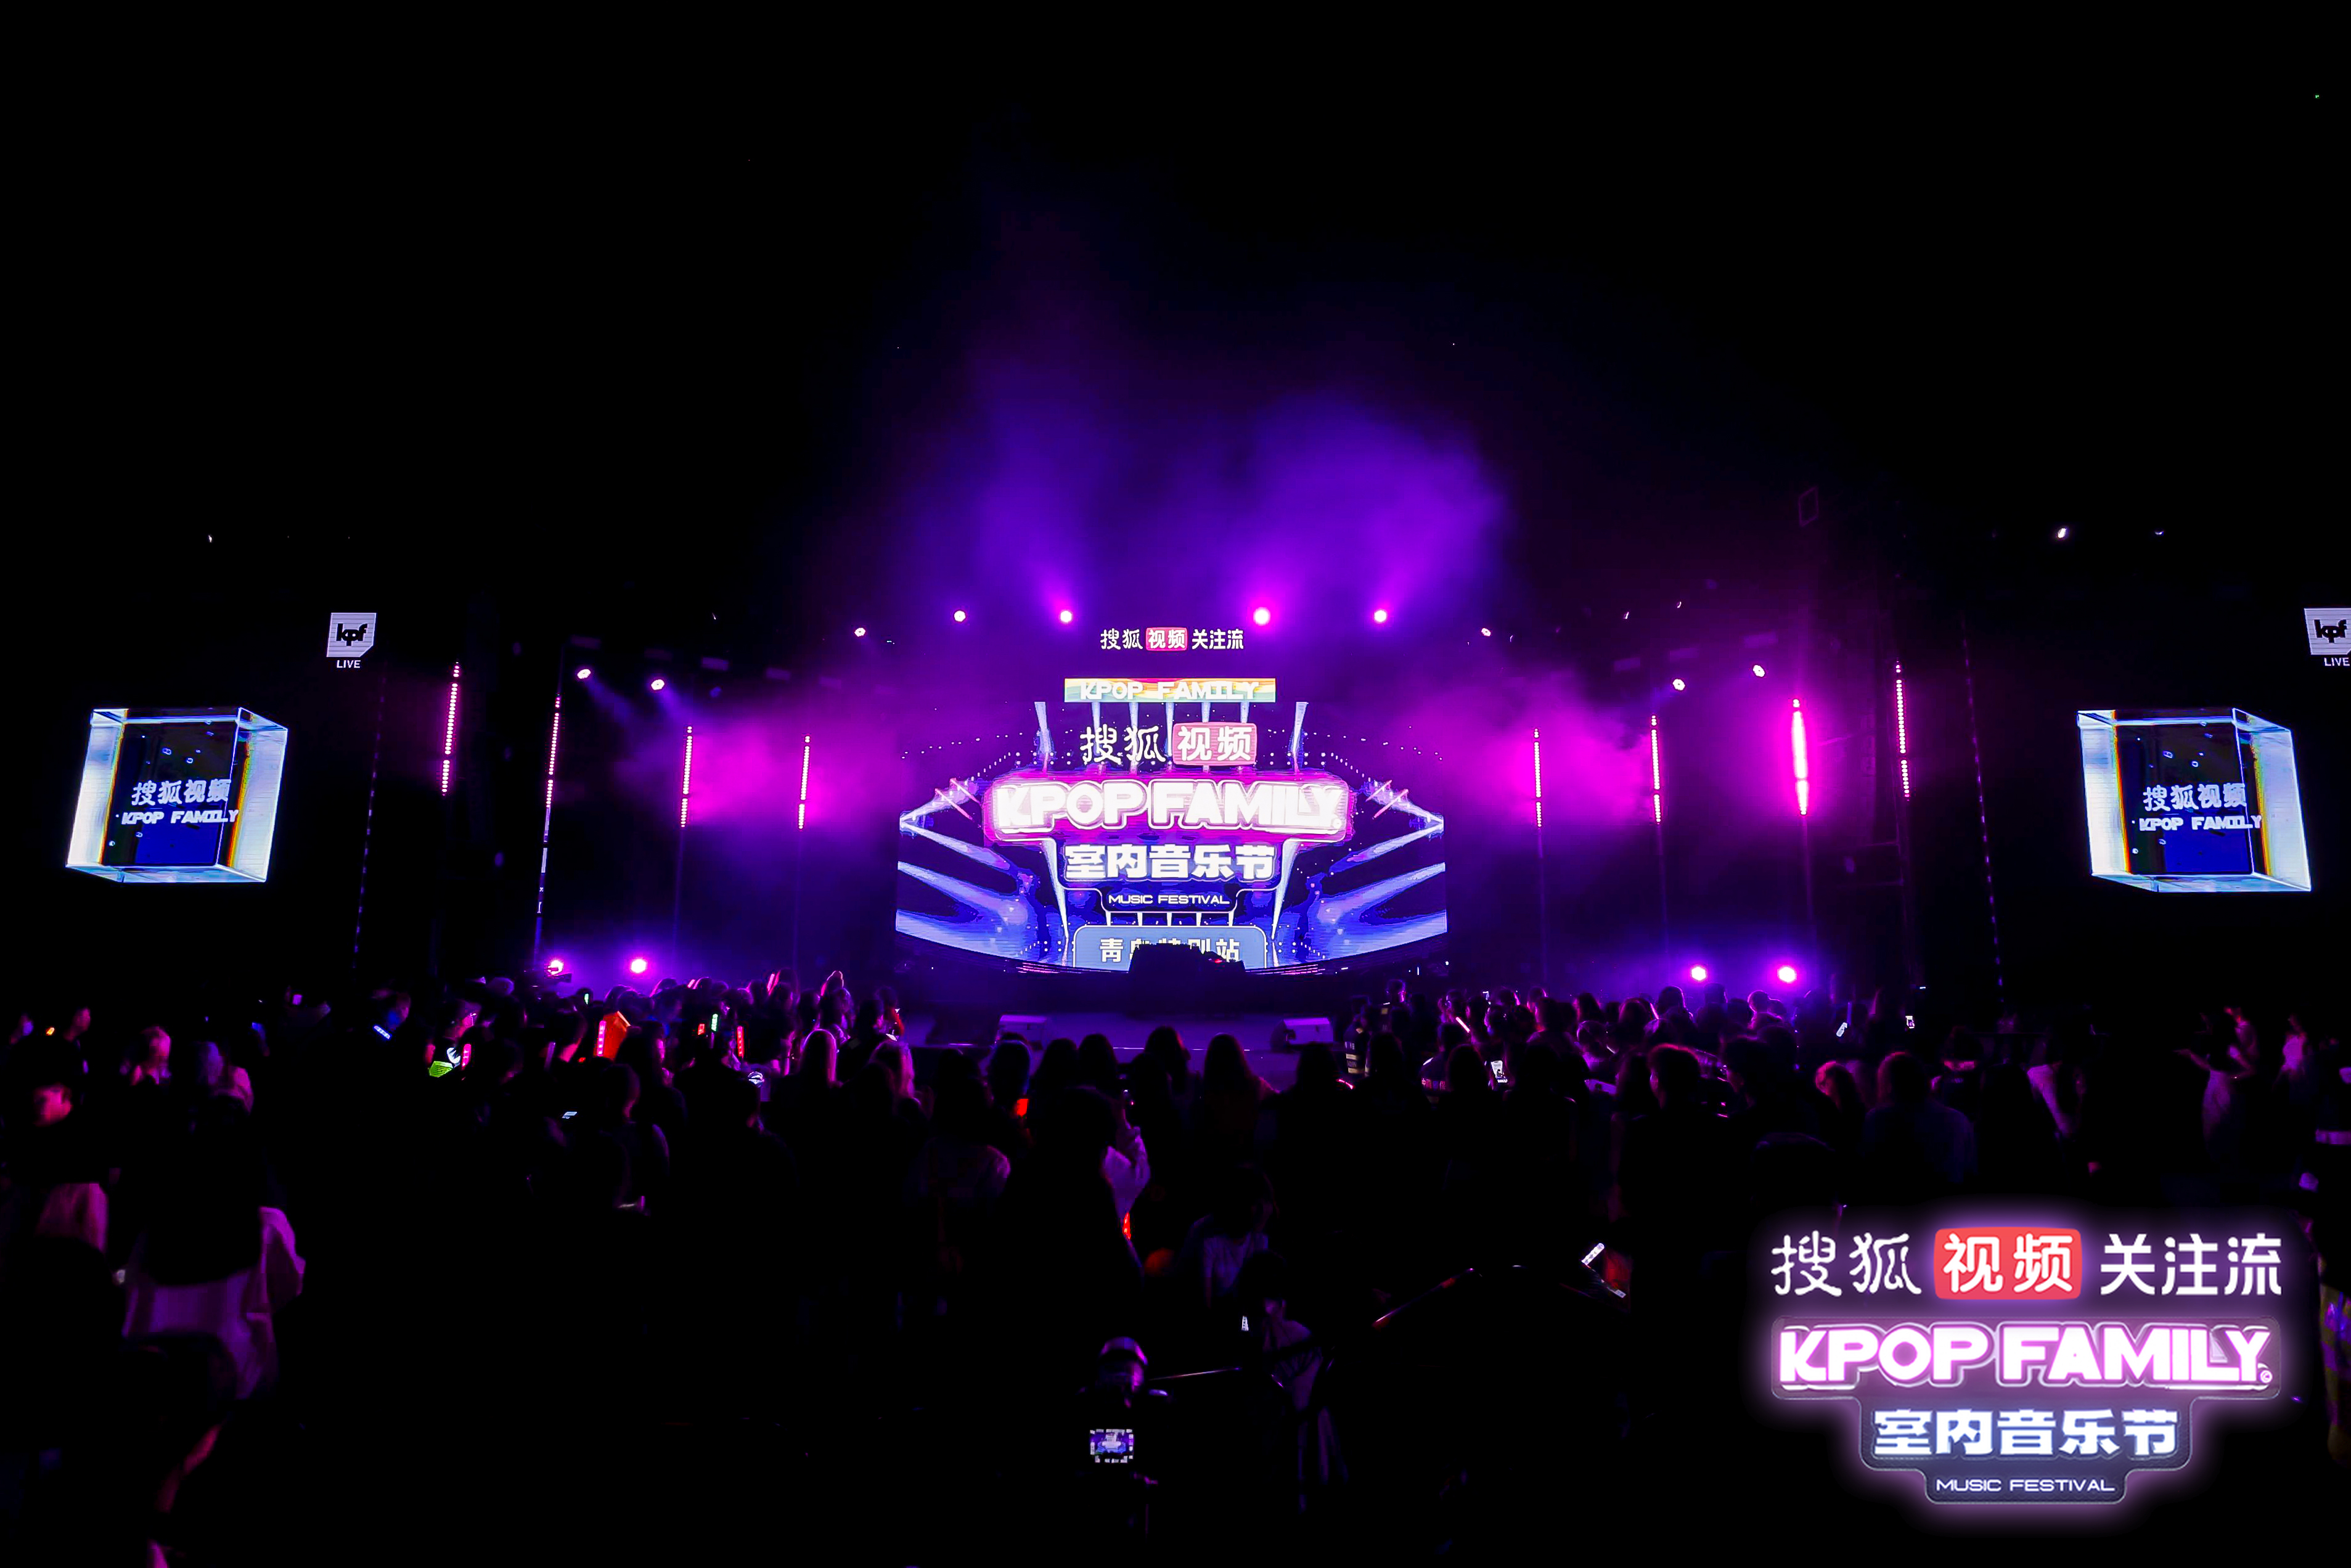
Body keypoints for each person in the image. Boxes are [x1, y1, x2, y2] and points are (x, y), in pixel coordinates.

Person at [119, 1100, 305, 1400]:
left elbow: (133, 1289)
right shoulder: (267, 1226)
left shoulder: (157, 1227)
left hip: (161, 1373)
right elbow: (289, 1288)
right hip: (237, 1370)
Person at [1858, 1050, 1977, 1203]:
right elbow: (1970, 1174)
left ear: (1888, 1085)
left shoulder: (1878, 1119)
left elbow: (1869, 1172)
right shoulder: (1958, 1119)